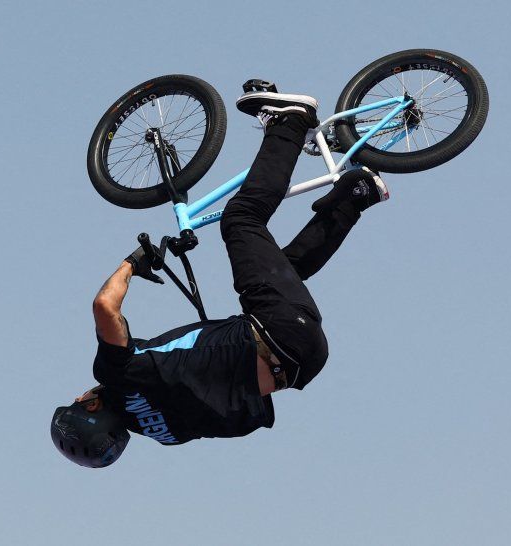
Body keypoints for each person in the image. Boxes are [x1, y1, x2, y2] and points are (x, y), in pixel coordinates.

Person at [51, 87, 390, 468]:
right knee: (241, 219)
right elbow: (104, 306)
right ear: (92, 406)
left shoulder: (170, 435)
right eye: (79, 400)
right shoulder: (118, 375)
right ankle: (291, 123)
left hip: (305, 361)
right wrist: (132, 263)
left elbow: (243, 411)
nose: (81, 394)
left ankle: (357, 195)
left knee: (284, 271)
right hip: (276, 329)